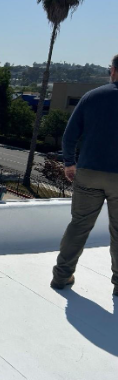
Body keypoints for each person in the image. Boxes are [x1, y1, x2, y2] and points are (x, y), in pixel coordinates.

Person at [51, 55, 118, 297]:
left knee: (78, 226)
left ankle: (61, 275)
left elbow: (69, 135)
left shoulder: (92, 96)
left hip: (88, 173)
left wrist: (70, 164)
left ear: (113, 70)